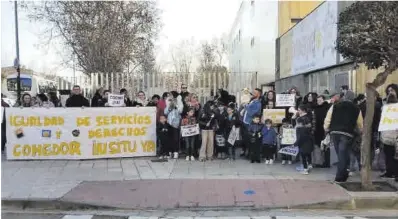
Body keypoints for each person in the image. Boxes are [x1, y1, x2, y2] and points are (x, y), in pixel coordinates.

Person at [324, 90, 363, 182]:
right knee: (343, 154)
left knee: (340, 154)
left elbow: (328, 118)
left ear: (344, 97)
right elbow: (360, 123)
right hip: (347, 133)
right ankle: (341, 176)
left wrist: (326, 128)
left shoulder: (335, 106)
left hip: (335, 132)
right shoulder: (356, 108)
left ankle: (342, 174)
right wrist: (361, 131)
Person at [380, 94, 398, 179]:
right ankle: (395, 173)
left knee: (388, 155)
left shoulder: (384, 109)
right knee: (395, 156)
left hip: (386, 136)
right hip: (395, 135)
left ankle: (389, 172)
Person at [242, 88, 262, 157]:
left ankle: (250, 154)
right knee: (246, 139)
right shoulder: (252, 101)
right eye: (253, 92)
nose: (253, 93)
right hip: (246, 122)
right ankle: (247, 152)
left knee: (251, 139)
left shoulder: (258, 103)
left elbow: (252, 113)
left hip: (250, 124)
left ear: (258, 94)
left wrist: (245, 106)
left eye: (255, 92)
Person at [295, 105, 314, 175]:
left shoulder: (300, 129)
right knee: (308, 154)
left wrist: (296, 143)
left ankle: (305, 170)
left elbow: (300, 138)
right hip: (308, 144)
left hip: (302, 145)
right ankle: (309, 165)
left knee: (303, 157)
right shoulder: (308, 128)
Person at [314, 95, 331, 168]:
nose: (319, 102)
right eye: (318, 100)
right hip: (317, 129)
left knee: (326, 146)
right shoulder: (315, 108)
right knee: (318, 146)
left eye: (320, 100)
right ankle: (319, 162)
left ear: (324, 100)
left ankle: (326, 162)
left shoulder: (328, 107)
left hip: (325, 129)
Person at [164, 94, 183, 159]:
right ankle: (170, 152)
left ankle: (176, 152)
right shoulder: (168, 105)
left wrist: (176, 106)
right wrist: (169, 107)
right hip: (169, 123)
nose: (173, 101)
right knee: (170, 138)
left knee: (176, 139)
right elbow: (165, 112)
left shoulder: (179, 105)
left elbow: (180, 111)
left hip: (176, 125)